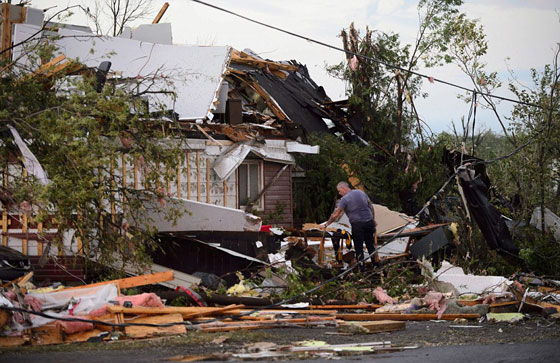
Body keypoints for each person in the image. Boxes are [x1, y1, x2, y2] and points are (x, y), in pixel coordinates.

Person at [322, 181, 377, 271]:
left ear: (344, 188)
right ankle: (376, 266)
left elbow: (336, 215)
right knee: (370, 245)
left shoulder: (344, 199)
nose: (339, 193)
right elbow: (370, 206)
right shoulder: (361, 192)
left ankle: (362, 270)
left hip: (358, 224)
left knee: (359, 247)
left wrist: (327, 224)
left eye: (339, 191)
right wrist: (373, 219)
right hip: (369, 222)